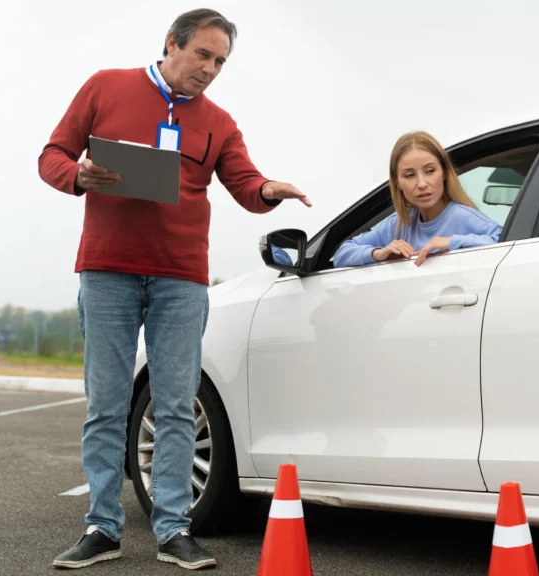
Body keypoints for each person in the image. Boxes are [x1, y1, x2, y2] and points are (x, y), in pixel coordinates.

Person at [38, 9, 310, 571]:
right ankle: (102, 527)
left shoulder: (219, 121)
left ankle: (173, 530)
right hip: (108, 270)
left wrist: (268, 190)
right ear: (171, 44)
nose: (210, 69)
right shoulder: (106, 86)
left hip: (181, 278)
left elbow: (244, 182)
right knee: (108, 405)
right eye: (203, 55)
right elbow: (51, 157)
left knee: (177, 406)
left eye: (220, 62)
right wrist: (79, 175)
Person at [332, 131, 502, 268]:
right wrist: (379, 253)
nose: (421, 184)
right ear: (398, 182)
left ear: (444, 173)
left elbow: (506, 241)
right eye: (410, 175)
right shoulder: (398, 224)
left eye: (430, 171)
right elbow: (341, 254)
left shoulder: (463, 216)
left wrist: (451, 242)